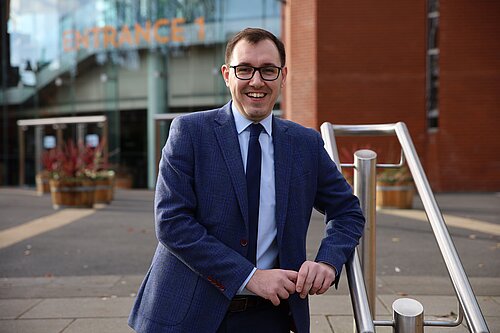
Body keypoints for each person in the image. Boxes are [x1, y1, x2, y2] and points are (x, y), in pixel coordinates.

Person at [128, 27, 365, 333]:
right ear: (227, 75)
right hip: (187, 314)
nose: (257, 81)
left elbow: (348, 212)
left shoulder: (305, 144)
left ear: (283, 76)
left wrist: (328, 263)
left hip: (271, 316)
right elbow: (172, 222)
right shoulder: (189, 132)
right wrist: (249, 276)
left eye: (268, 70)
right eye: (244, 70)